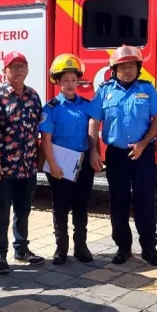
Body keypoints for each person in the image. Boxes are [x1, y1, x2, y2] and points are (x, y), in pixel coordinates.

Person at [88, 45, 157, 266]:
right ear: (114, 69)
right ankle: (123, 248)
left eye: (132, 66)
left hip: (143, 154)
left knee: (146, 202)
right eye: (123, 67)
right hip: (116, 155)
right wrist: (94, 150)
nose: (128, 70)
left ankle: (149, 249)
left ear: (138, 68)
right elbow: (94, 121)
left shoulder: (147, 89)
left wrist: (143, 143)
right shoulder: (105, 91)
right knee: (118, 203)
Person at [0, 51, 45, 274]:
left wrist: (39, 161)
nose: (18, 70)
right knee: (1, 213)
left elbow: (38, 131)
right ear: (4, 71)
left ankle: (21, 249)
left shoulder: (33, 96)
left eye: (22, 66)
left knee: (24, 210)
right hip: (3, 167)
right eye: (13, 66)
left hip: (27, 166)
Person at [39, 54, 95, 265]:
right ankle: (61, 249)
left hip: (83, 165)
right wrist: (53, 165)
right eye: (65, 80)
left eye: (73, 80)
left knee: (81, 206)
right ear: (58, 82)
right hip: (59, 165)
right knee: (60, 207)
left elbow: (93, 130)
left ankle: (81, 247)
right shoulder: (51, 108)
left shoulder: (86, 106)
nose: (70, 84)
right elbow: (46, 140)